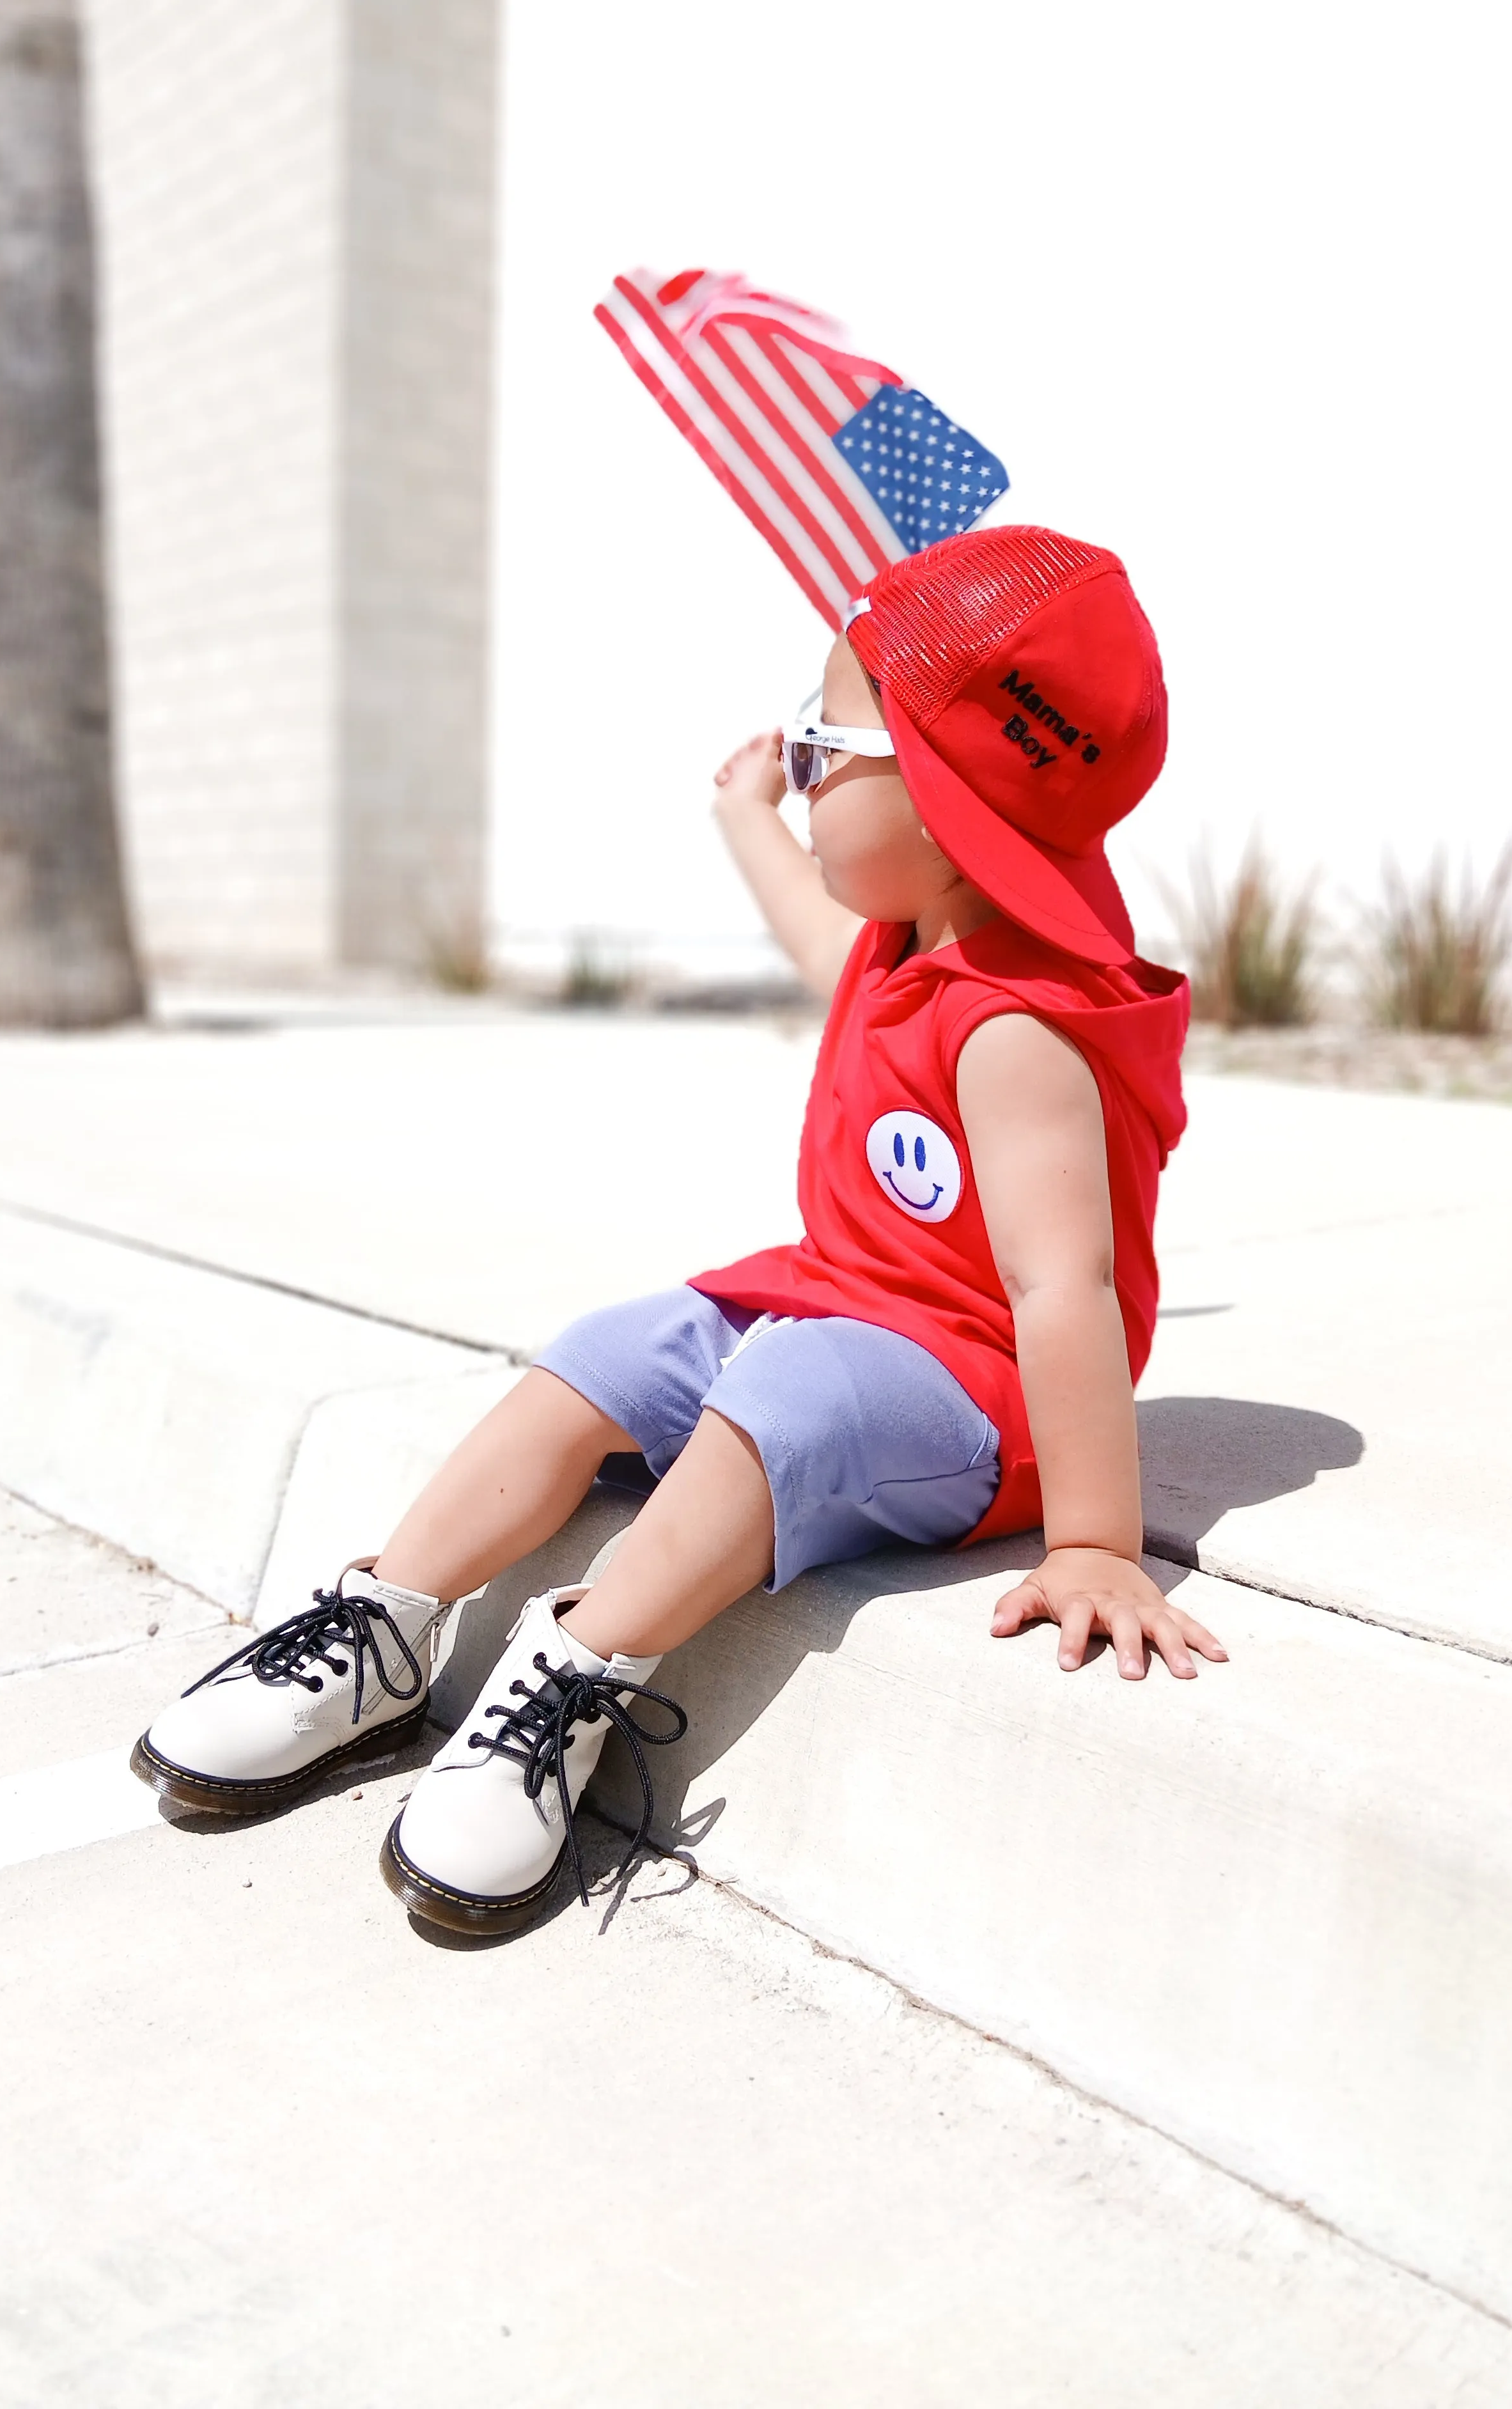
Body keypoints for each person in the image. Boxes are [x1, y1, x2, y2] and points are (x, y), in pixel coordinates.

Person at [132, 524, 1225, 1933]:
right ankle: (388, 1624)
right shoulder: (914, 945)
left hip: (974, 1384)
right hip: (847, 1296)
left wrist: (1093, 1543)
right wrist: (751, 819)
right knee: (617, 1347)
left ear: (946, 807)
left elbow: (1061, 1287)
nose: (805, 769)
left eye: (822, 750)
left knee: (782, 1388)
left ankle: (578, 1668)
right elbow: (820, 936)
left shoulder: (1020, 1028)